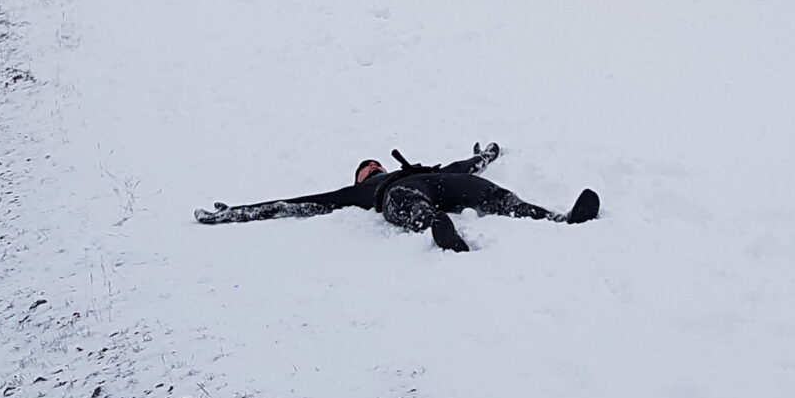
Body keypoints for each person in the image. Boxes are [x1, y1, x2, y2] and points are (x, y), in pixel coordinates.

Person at [195, 143, 599, 253]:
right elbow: (299, 202)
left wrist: (486, 155)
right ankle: (442, 233)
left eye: (374, 166)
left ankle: (560, 220)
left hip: (437, 182)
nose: (372, 169)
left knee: (492, 194)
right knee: (408, 202)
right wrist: (238, 212)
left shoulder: (417, 168)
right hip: (405, 195)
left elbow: (467, 165)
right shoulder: (365, 191)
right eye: (366, 169)